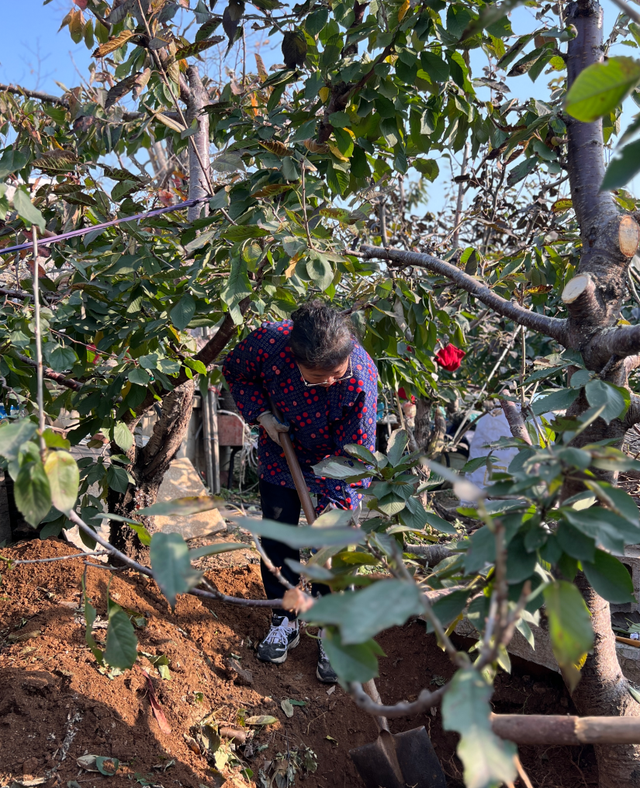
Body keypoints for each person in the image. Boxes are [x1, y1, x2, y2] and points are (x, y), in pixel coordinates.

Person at [222, 299, 378, 682]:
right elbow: (236, 372)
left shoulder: (360, 380)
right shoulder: (269, 344)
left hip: (334, 463)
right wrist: (261, 415)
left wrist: (333, 519)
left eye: (336, 374)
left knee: (330, 548)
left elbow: (356, 459)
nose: (330, 382)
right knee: (278, 536)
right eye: (317, 377)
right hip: (282, 450)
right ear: (294, 361)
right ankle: (285, 618)